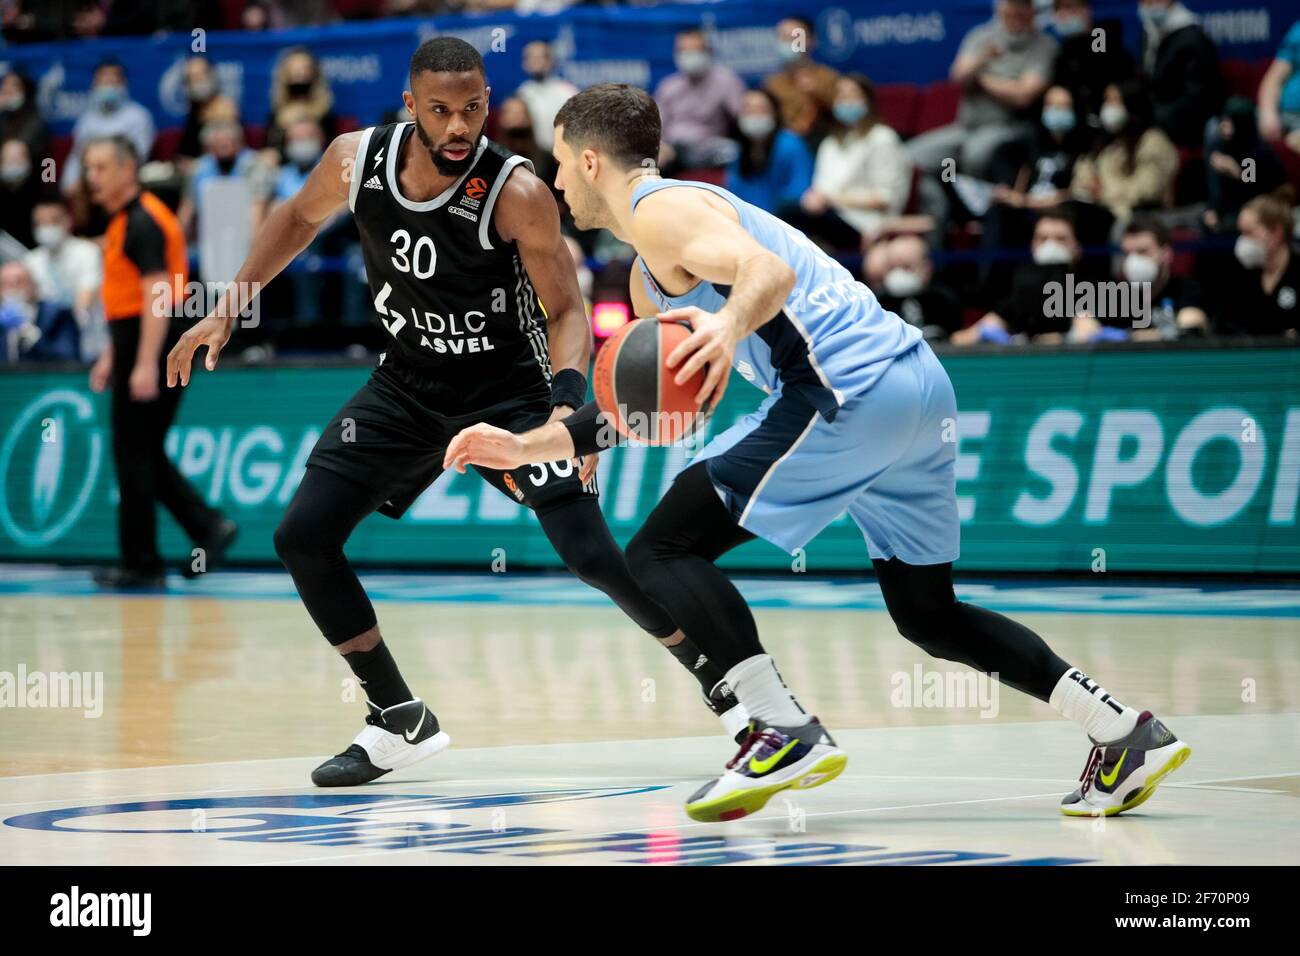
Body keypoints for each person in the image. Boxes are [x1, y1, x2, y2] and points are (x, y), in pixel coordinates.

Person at [443, 83, 1193, 823]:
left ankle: (781, 728)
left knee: (661, 550)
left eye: (560, 162)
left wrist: (728, 326)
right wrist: (530, 442)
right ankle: (1122, 731)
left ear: (591, 160)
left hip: (844, 387)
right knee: (928, 614)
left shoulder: (659, 208)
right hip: (914, 388)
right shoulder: (649, 273)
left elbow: (767, 276)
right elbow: (650, 407)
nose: (555, 181)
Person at [166, 39, 748, 790]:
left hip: (508, 393)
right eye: (440, 110)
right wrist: (229, 307)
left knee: (592, 556)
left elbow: (567, 310)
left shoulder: (517, 190)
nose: (458, 126)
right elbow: (298, 219)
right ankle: (396, 717)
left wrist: (567, 411)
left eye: (472, 109)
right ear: (410, 105)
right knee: (302, 537)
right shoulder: (353, 161)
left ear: (487, 101)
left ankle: (723, 687)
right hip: (406, 386)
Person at [81, 136, 236, 589]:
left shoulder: (144, 220)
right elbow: (129, 299)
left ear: (128, 169)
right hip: (138, 340)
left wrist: (146, 362)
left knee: (133, 453)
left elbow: (157, 297)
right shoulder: (125, 220)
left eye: (101, 167)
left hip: (155, 339)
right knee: (142, 452)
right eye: (88, 168)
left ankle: (143, 563)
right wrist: (113, 355)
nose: (92, 177)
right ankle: (207, 527)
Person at [908, 0, 1056, 180]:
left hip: (1008, 128)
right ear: (1000, 9)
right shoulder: (981, 36)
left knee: (975, 156)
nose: (1014, 18)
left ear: (1032, 11)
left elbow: (1023, 96)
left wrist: (982, 79)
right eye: (1009, 11)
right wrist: (982, 59)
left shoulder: (1044, 45)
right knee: (911, 158)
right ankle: (944, 195)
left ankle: (974, 196)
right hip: (965, 127)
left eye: (1020, 12)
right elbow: (958, 78)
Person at [784, 74, 912, 250]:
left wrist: (832, 200)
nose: (846, 102)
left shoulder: (882, 138)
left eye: (852, 96)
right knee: (786, 214)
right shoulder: (830, 143)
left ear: (868, 101)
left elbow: (886, 198)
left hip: (865, 223)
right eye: (841, 97)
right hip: (831, 215)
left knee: (789, 213)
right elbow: (820, 189)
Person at [1071, 81, 1178, 224]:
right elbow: (1084, 172)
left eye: (1115, 101)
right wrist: (1087, 186)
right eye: (1106, 100)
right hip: (1101, 210)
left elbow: (1146, 191)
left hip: (1142, 217)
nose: (1108, 107)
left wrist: (1103, 192)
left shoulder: (1153, 141)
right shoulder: (1106, 141)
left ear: (1132, 105)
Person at [24, 198, 104, 359]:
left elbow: (87, 295)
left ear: (68, 221)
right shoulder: (31, 260)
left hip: (85, 337)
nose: (46, 228)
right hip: (45, 341)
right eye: (40, 223)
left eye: (53, 221)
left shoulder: (88, 252)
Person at [1137, 0, 1224, 148]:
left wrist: (1151, 120)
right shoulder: (1149, 32)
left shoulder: (1194, 38)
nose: (1148, 4)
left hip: (1187, 128)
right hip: (1156, 122)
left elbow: (1198, 100)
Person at [654, 28, 745, 170]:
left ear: (708, 52)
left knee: (733, 151)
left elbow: (741, 117)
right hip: (673, 151)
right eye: (683, 51)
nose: (689, 56)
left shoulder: (726, 81)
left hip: (709, 149)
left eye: (694, 51)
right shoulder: (668, 86)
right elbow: (658, 127)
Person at [61, 60, 156, 193]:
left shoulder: (139, 117)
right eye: (104, 82)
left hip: (125, 182)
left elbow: (137, 157)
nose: (108, 87)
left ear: (123, 84)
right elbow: (77, 156)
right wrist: (69, 184)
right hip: (90, 182)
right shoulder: (87, 120)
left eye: (113, 82)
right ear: (94, 85)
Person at [1218, 187, 1299, 337]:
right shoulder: (1239, 272)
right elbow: (1226, 326)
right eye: (1241, 233)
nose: (1243, 241)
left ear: (1276, 233)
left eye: (1249, 233)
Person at [725, 88, 813, 215]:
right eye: (747, 109)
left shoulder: (790, 144)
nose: (754, 115)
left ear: (774, 113)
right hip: (746, 219)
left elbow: (800, 189)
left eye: (760, 109)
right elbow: (733, 193)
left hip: (785, 219)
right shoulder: (738, 151)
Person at [1119, 215, 1207, 340]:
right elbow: (1091, 326)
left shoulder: (1188, 290)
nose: (1133, 260)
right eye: (1127, 253)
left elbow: (1190, 326)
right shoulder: (1117, 294)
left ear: (1166, 254)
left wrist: (1132, 337)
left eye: (1142, 251)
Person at [1050, 0, 1135, 120]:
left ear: (1086, 10)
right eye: (1058, 9)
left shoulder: (1101, 35)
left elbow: (1102, 70)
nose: (1063, 14)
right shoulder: (1066, 46)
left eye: (1069, 7)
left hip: (1113, 111)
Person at [867, 234, 961, 340]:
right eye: (893, 267)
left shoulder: (943, 300)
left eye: (906, 266)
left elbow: (959, 339)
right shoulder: (878, 303)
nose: (898, 273)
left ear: (926, 267)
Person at [763, 16, 839, 142]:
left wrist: (817, 94)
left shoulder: (829, 78)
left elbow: (843, 118)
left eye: (794, 38)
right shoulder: (772, 84)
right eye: (782, 38)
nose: (787, 43)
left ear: (811, 40)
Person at [176, 56, 241, 167]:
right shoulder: (194, 111)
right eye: (190, 78)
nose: (196, 82)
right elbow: (185, 153)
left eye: (200, 75)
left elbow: (227, 152)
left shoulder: (226, 109)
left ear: (212, 75)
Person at [515, 41, 577, 152]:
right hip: (531, 154)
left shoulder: (567, 92)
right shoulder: (523, 92)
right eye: (530, 57)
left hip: (561, 153)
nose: (534, 62)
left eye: (539, 57)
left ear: (551, 61)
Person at [1257, 19, 1300, 151]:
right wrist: (1268, 112)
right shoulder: (1297, 31)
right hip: (1283, 114)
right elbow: (1274, 78)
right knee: (1219, 129)